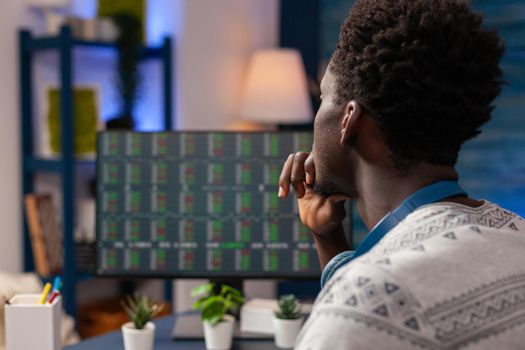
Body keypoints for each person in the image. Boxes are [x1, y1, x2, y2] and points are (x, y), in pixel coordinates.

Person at [278, 0, 525, 348]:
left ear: (349, 120)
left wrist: (349, 298)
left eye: (323, 99)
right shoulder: (515, 232)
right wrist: (328, 238)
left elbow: (362, 318)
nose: (317, 119)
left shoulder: (365, 306)